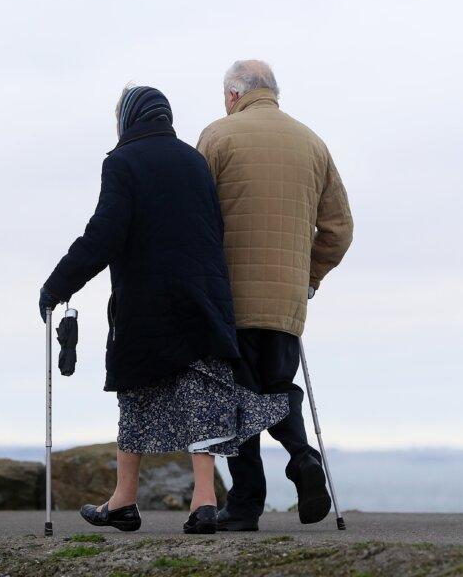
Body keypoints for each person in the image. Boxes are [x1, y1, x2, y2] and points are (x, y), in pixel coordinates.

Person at [39, 84, 288, 535]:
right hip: (204, 299)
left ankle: (124, 500)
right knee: (202, 395)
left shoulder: (122, 162)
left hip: (148, 303)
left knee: (136, 392)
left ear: (128, 119)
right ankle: (204, 501)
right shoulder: (194, 160)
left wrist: (58, 285)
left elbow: (104, 234)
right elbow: (215, 228)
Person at [197, 60, 353, 530]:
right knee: (277, 385)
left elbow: (193, 217)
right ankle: (303, 457)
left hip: (228, 297)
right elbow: (339, 229)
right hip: (286, 300)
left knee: (234, 395)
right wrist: (309, 277)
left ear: (233, 95)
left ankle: (245, 504)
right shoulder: (313, 143)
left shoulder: (216, 137)